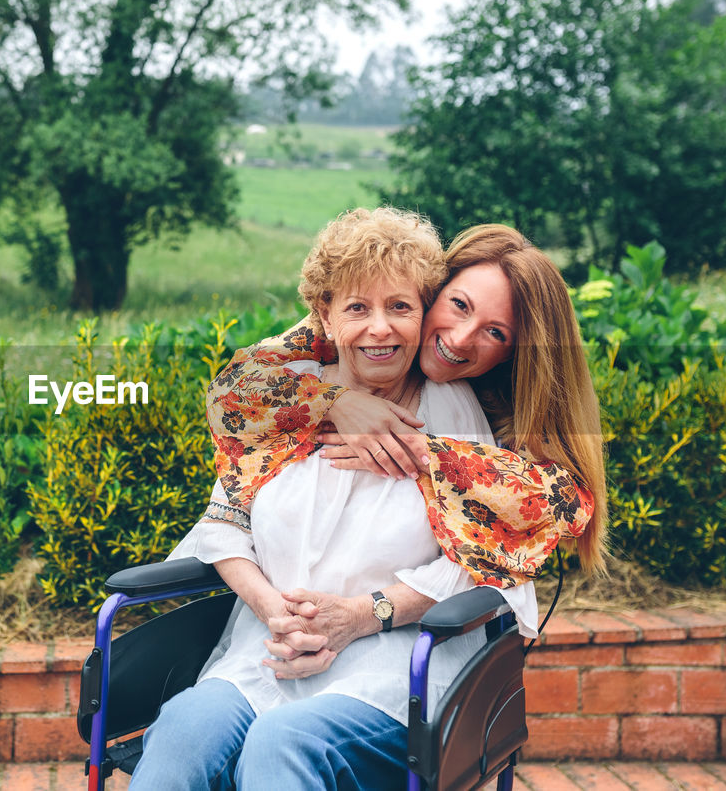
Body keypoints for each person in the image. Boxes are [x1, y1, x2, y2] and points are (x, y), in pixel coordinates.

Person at [128, 209, 540, 790]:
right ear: (324, 314)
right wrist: (272, 608)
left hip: (392, 668)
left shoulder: (451, 416)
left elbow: (482, 563)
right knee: (182, 730)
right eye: (357, 308)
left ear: (422, 314)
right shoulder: (287, 401)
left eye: (400, 307)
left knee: (286, 741)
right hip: (266, 651)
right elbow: (223, 523)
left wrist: (360, 616)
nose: (380, 329)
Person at [206, 223, 607, 589]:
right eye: (460, 305)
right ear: (432, 293)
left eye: (495, 332)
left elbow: (562, 501)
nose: (461, 338)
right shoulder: (330, 337)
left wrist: (424, 452)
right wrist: (334, 402)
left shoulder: (495, 402)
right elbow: (229, 390)